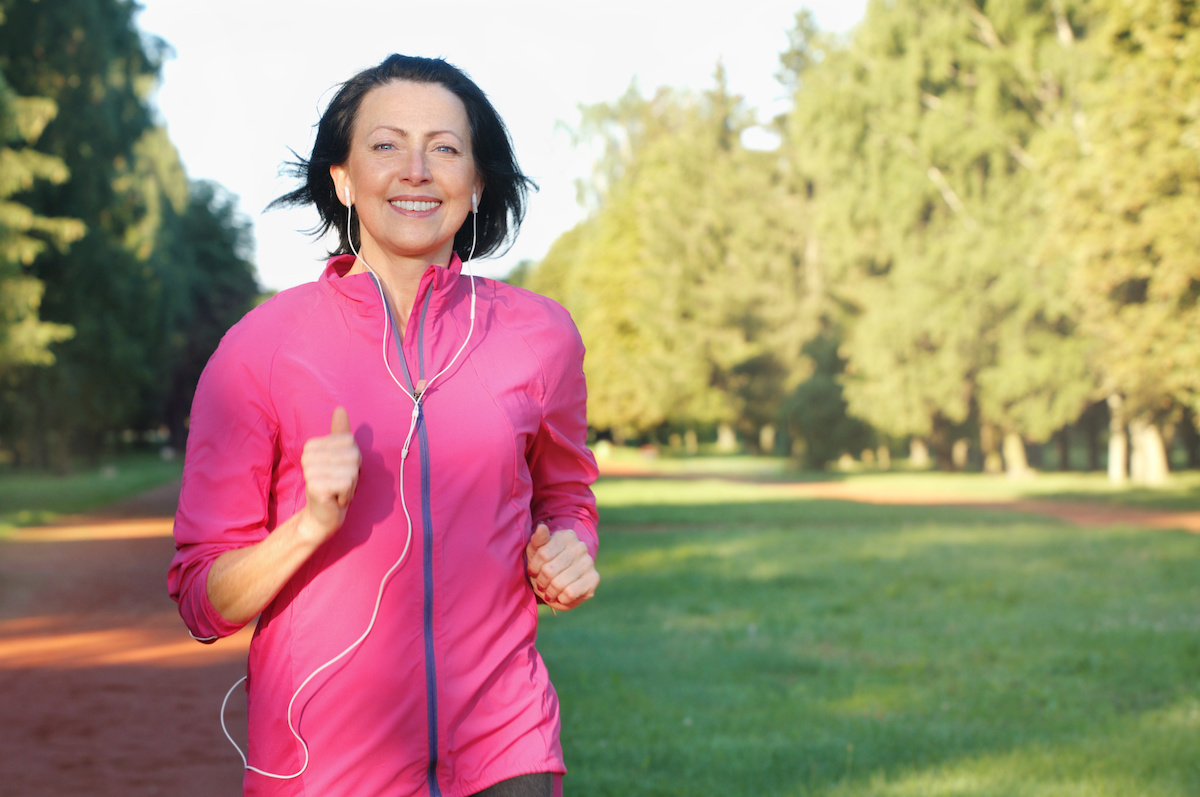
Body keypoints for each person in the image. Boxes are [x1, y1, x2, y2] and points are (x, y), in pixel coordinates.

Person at [168, 54, 599, 797]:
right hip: (324, 768)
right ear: (342, 179)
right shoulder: (258, 351)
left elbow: (566, 501)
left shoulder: (541, 337)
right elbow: (203, 600)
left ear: (477, 183)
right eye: (386, 144)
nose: (416, 170)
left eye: (445, 148)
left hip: (508, 751)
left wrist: (570, 550)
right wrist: (308, 526)